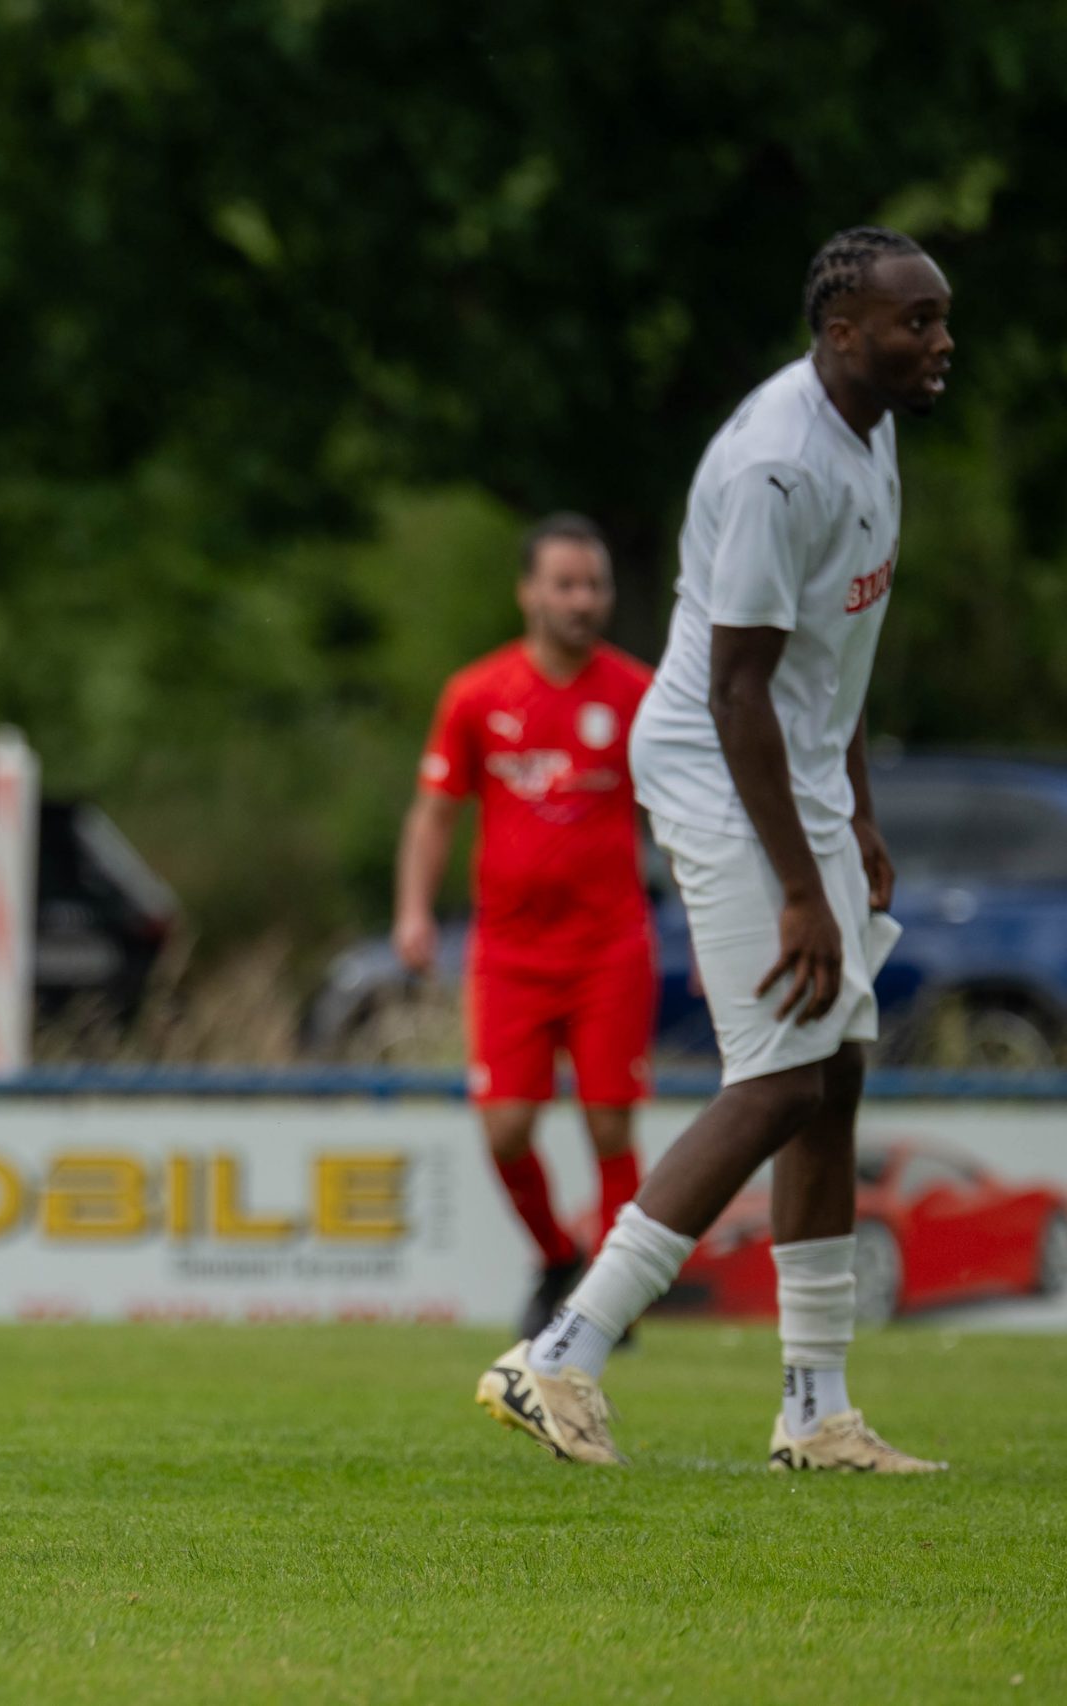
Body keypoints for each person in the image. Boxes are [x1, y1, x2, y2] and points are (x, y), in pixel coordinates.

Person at [476, 227, 952, 1472]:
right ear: (841, 333)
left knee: (832, 1072)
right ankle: (558, 1349)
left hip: (792, 772)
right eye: (916, 322)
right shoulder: (776, 463)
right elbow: (737, 691)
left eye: (941, 318)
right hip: (716, 766)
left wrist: (855, 811)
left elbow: (831, 661)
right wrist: (801, 887)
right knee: (780, 1077)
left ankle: (814, 1411)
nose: (940, 342)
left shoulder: (870, 427)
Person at [396, 516, 656, 1341]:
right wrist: (413, 911)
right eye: (566, 584)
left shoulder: (638, 694)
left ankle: (611, 1296)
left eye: (595, 585)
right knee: (506, 1128)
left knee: (609, 1121)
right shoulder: (478, 694)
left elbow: (683, 807)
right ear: (528, 593)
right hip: (509, 952)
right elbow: (435, 812)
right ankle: (554, 1256)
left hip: (609, 945)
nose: (583, 601)